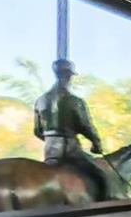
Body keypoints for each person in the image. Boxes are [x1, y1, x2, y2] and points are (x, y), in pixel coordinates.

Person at [33, 59, 108, 194]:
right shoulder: (75, 101)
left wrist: (52, 139)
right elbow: (86, 126)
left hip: (49, 151)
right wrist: (96, 143)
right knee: (101, 175)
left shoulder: (40, 101)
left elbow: (38, 131)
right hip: (70, 151)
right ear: (69, 76)